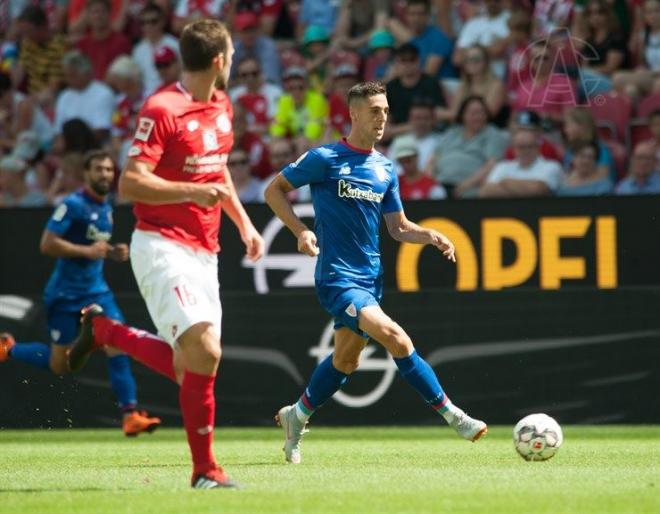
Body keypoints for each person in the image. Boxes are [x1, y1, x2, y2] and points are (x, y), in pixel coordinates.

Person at [65, 19, 265, 489]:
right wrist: (188, 194)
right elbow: (131, 181)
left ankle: (104, 330)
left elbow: (218, 174)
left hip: (206, 250)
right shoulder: (162, 108)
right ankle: (205, 471)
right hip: (161, 244)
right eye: (231, 55)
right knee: (205, 350)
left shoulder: (222, 105)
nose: (233, 62)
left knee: (189, 366)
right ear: (219, 60)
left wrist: (244, 222)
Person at [264, 81, 487, 465]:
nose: (382, 117)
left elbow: (398, 227)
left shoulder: (385, 168)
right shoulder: (325, 158)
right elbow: (273, 190)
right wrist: (301, 230)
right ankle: (455, 417)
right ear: (353, 114)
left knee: (345, 362)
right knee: (396, 338)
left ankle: (295, 416)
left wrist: (430, 235)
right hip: (337, 278)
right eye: (374, 111)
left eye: (384, 110)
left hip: (370, 280)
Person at [0, 150, 161, 436]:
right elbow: (47, 244)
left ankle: (130, 414)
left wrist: (112, 253)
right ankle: (9, 349)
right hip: (64, 296)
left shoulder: (107, 208)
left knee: (119, 344)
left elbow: (94, 247)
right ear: (86, 174)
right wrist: (88, 251)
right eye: (99, 169)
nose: (104, 175)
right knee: (60, 366)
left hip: (97, 293)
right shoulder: (73, 205)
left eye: (109, 170)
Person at [479, 127, 564, 197]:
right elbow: (485, 191)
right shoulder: (502, 166)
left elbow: (537, 190)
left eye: (529, 146)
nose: (525, 151)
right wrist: (524, 190)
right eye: (520, 147)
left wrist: (505, 181)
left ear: (538, 147)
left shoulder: (552, 166)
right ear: (513, 149)